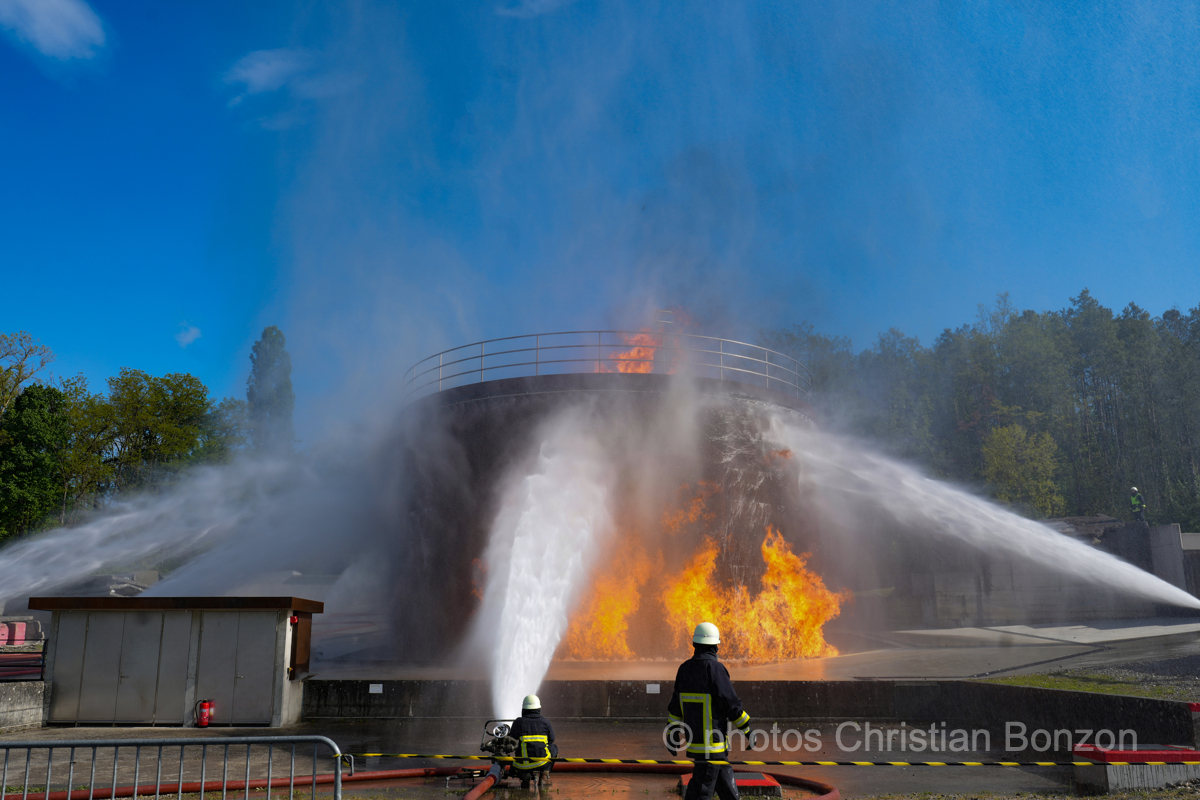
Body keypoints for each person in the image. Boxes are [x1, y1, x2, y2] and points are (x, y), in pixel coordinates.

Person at [667, 622, 751, 800]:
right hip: (712, 744)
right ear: (715, 646)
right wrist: (747, 729)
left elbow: (676, 706)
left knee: (726, 786)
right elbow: (730, 703)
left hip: (696, 741)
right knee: (700, 792)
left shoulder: (684, 669)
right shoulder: (715, 669)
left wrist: (672, 733)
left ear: (695, 645)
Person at [509, 694, 558, 789]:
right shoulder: (545, 722)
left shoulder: (518, 722)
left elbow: (512, 737)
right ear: (538, 708)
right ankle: (544, 775)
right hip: (541, 763)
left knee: (518, 750)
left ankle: (524, 776)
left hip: (522, 764)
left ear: (523, 709)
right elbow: (551, 739)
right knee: (553, 748)